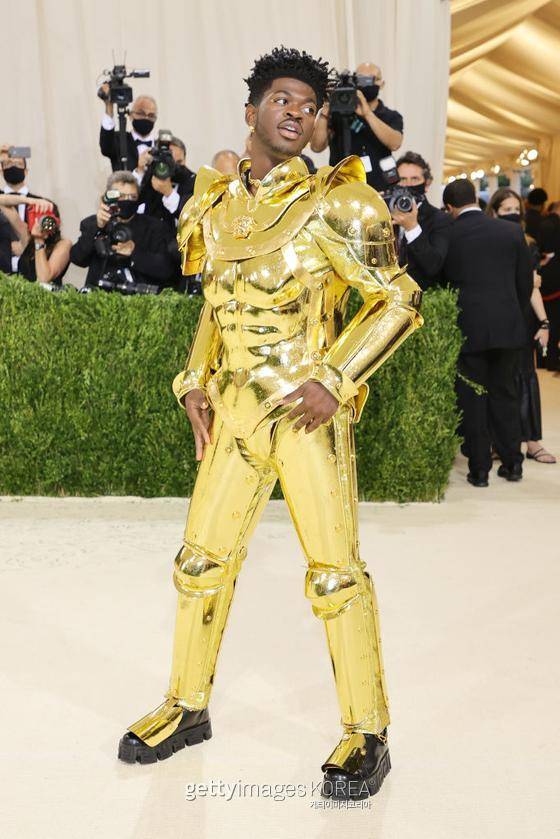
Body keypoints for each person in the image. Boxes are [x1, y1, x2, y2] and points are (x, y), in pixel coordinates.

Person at [117, 46, 423, 801]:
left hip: (307, 417)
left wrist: (336, 374)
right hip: (234, 416)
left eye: (311, 106)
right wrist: (194, 376)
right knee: (198, 565)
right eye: (283, 99)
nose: (298, 112)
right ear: (251, 110)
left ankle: (366, 728)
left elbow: (398, 298)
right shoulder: (216, 205)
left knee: (334, 573)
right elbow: (217, 307)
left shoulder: (340, 204)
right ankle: (186, 704)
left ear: (321, 125)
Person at [442, 179, 533, 487]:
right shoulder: (511, 231)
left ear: (450, 208)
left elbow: (442, 279)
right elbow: (524, 283)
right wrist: (512, 313)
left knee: (473, 399)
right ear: (478, 202)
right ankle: (513, 464)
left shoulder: (450, 234)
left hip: (469, 329)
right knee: (506, 395)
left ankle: (479, 470)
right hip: (508, 327)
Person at [487, 188, 555, 464]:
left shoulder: (529, 244)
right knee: (496, 379)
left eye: (516, 209)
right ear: (494, 212)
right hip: (494, 316)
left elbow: (533, 288)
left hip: (523, 319)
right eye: (506, 210)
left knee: (526, 378)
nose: (513, 214)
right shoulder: (486, 242)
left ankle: (532, 441)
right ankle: (497, 440)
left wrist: (544, 321)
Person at [70, 171, 172, 291]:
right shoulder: (92, 223)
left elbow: (166, 270)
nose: (127, 201)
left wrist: (134, 253)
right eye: (121, 196)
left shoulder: (155, 227)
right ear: (108, 196)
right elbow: (78, 258)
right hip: (99, 299)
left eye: (132, 197)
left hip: (141, 300)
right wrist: (98, 227)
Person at [310, 62, 403, 190]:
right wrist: (326, 110)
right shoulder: (336, 112)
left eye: (371, 79)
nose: (366, 84)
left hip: (380, 188)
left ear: (382, 83)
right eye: (361, 79)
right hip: (341, 188)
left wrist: (367, 114)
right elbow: (316, 147)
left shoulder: (390, 116)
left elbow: (395, 143)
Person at [391, 151, 452, 289]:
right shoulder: (384, 215)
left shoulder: (440, 220)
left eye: (414, 179)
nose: (408, 184)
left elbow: (434, 266)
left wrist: (412, 228)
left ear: (427, 184)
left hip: (423, 302)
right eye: (403, 179)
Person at [0, 147, 59, 274]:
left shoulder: (44, 204)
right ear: (1, 170)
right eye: (8, 164)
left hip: (31, 271)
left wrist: (26, 247)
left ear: (26, 171)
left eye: (18, 164)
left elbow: (50, 240)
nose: (13, 167)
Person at [138, 136, 196, 233]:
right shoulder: (151, 177)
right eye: (171, 163)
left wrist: (169, 193)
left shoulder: (194, 181)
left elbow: (192, 217)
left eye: (179, 162)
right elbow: (134, 204)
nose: (175, 168)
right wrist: (140, 170)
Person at [99, 90, 158, 173]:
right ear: (130, 115)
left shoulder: (161, 146)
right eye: (141, 113)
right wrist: (109, 107)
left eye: (151, 115)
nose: (146, 118)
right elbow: (106, 147)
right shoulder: (119, 139)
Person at [538, 201, 560, 372]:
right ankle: (552, 359)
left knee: (543, 320)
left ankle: (542, 359)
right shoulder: (556, 225)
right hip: (556, 281)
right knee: (555, 321)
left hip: (542, 278)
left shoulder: (541, 223)